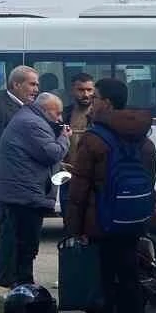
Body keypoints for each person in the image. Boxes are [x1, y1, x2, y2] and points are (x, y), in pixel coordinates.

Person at [65, 77, 156, 313]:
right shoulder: (143, 138)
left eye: (95, 98)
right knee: (129, 276)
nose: (91, 103)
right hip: (132, 220)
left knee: (103, 278)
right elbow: (149, 181)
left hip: (101, 223)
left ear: (106, 102)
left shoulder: (94, 139)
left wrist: (73, 228)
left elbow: (79, 189)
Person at [0, 91, 70, 289]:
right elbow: (51, 153)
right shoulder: (32, 123)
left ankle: (17, 282)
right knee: (26, 245)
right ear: (45, 109)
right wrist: (64, 138)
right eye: (57, 113)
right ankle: (23, 285)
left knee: (19, 243)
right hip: (25, 196)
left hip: (22, 193)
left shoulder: (28, 118)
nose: (60, 119)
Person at [0, 66, 39, 207]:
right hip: (6, 187)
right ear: (16, 84)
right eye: (32, 84)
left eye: (37, 85)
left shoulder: (30, 108)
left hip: (22, 185)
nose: (36, 90)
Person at [58, 72, 98, 216]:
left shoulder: (99, 115)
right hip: (68, 177)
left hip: (92, 177)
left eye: (89, 90)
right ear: (72, 91)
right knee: (69, 220)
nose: (86, 94)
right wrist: (59, 162)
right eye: (81, 90)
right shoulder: (63, 115)